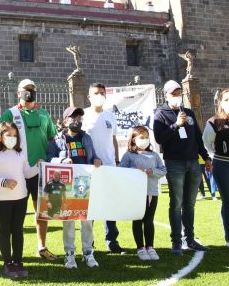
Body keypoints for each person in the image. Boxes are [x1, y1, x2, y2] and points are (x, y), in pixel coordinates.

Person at [0, 79, 58, 261]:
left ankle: (42, 247)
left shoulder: (44, 114)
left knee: (42, 210)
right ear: (18, 92)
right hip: (17, 172)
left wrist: (50, 160)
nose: (29, 93)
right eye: (26, 90)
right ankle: (14, 252)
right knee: (16, 213)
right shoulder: (10, 114)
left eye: (32, 90)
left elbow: (52, 140)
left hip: (40, 171)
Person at [153, 80, 212, 255]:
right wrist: (176, 125)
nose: (177, 96)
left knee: (190, 204)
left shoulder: (189, 113)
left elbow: (197, 138)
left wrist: (206, 157)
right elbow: (159, 138)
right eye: (173, 94)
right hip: (175, 163)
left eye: (179, 93)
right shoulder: (160, 114)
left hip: (193, 163)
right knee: (176, 203)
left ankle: (191, 240)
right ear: (165, 95)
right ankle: (176, 242)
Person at [0, 122, 40, 278]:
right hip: (1, 201)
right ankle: (8, 264)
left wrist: (38, 166)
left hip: (21, 199)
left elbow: (27, 172)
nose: (12, 138)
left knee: (18, 231)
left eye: (15, 135)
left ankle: (18, 262)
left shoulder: (20, 153)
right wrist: (3, 182)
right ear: (0, 136)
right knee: (5, 231)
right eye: (8, 135)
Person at [47, 106, 101, 269]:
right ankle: (69, 254)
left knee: (87, 221)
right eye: (73, 117)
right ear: (65, 121)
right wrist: (62, 161)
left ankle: (88, 253)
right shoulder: (57, 140)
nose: (76, 121)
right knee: (69, 221)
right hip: (66, 185)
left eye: (79, 118)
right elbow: (49, 158)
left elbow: (93, 155)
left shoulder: (87, 138)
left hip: (85, 183)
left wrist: (97, 159)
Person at [82, 82, 125, 254]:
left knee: (110, 205)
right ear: (89, 96)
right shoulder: (83, 115)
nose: (99, 95)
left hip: (109, 166)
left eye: (102, 92)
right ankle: (88, 242)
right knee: (90, 206)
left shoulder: (110, 116)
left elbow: (113, 139)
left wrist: (116, 159)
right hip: (89, 167)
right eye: (96, 93)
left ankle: (112, 240)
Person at [120, 126, 167, 260]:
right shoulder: (129, 155)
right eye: (141, 137)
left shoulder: (154, 155)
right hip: (136, 194)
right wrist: (135, 170)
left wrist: (153, 172)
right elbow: (121, 171)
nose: (144, 140)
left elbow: (163, 170)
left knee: (149, 220)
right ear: (134, 139)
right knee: (138, 220)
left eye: (147, 137)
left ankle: (150, 247)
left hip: (152, 192)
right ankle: (140, 248)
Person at [203, 88, 229, 246]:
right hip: (223, 164)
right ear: (221, 103)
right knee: (228, 201)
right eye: (226, 100)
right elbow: (206, 143)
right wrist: (213, 157)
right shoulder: (214, 122)